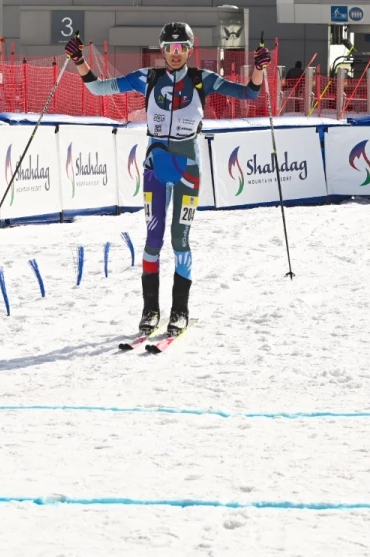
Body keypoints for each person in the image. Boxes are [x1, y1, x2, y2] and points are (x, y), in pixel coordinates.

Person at [65, 22, 271, 338]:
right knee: (153, 239)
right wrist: (79, 61)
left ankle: (180, 311)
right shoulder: (148, 78)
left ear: (190, 50)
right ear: (162, 51)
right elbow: (98, 88)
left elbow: (250, 92)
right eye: (170, 49)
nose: (175, 54)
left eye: (182, 48)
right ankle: (150, 311)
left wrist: (258, 69)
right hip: (155, 169)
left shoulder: (203, 79)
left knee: (180, 240)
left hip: (188, 167)